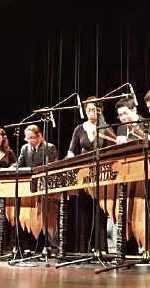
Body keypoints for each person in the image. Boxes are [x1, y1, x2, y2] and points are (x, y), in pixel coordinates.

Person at [65, 97, 114, 253]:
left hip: (101, 173)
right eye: (89, 110)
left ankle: (100, 248)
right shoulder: (79, 129)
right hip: (83, 173)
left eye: (94, 110)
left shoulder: (106, 128)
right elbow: (72, 150)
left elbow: (113, 149)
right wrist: (71, 159)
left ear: (100, 111)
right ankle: (83, 248)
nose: (91, 113)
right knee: (83, 210)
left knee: (100, 210)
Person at [17, 124, 59, 252]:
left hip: (44, 187)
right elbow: (20, 165)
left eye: (32, 138)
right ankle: (29, 245)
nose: (30, 141)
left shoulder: (49, 148)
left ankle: (50, 245)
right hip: (29, 188)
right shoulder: (25, 148)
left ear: (40, 136)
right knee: (29, 216)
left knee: (46, 217)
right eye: (27, 138)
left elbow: (53, 166)